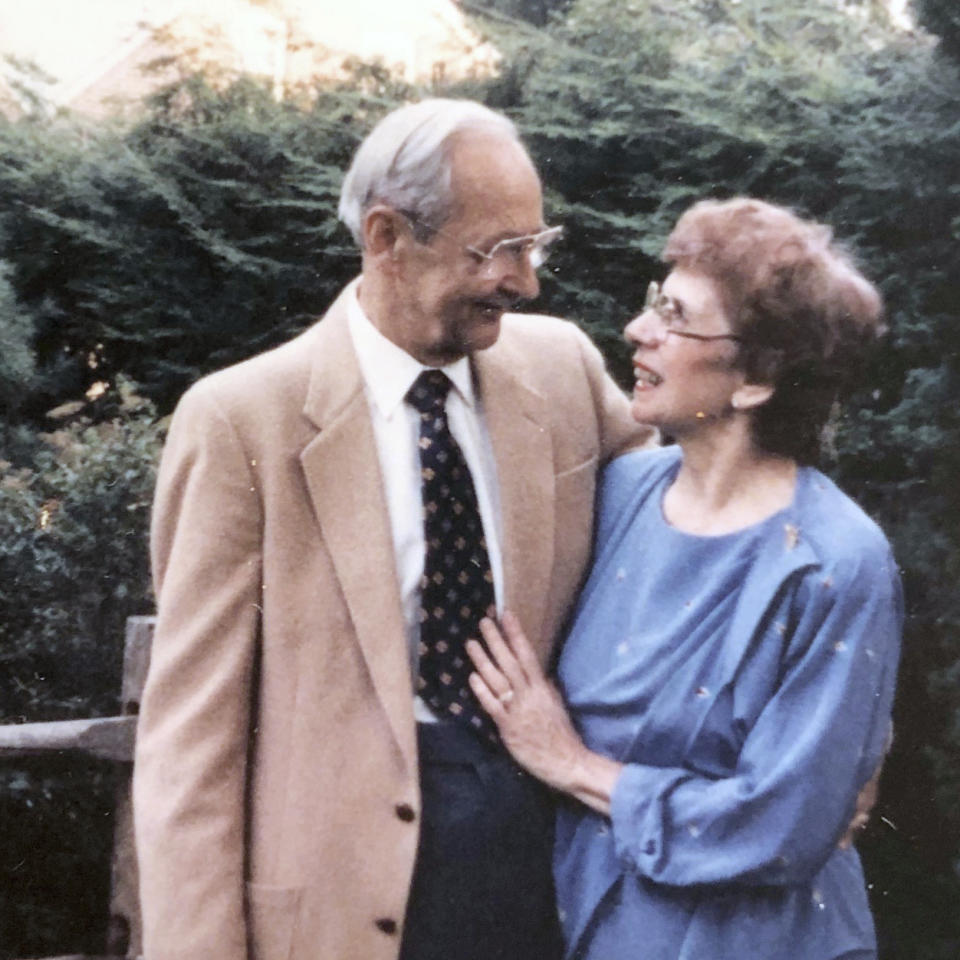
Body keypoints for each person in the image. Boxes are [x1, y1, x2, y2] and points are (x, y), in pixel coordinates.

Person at [132, 98, 653, 960]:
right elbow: (191, 744)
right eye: (497, 251)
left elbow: (699, 523)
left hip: (550, 881)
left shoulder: (562, 369)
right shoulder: (240, 422)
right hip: (341, 911)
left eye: (535, 245)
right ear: (385, 238)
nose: (526, 281)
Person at [468, 198, 902, 960]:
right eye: (650, 303)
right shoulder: (621, 493)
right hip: (587, 922)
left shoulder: (836, 563)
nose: (639, 330)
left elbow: (779, 828)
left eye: (675, 315)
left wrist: (570, 763)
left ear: (758, 379)